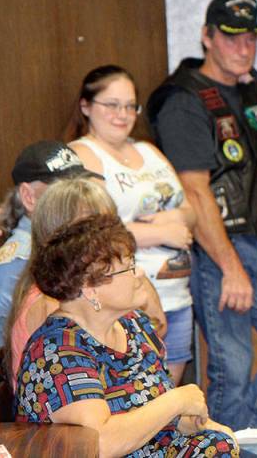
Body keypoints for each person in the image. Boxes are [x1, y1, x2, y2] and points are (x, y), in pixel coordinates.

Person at [146, 0, 257, 431]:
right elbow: (195, 192)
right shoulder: (182, 99)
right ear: (206, 37)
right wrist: (230, 267)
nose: (243, 49)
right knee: (231, 374)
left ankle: (245, 442)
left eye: (250, 38)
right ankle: (232, 446)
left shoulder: (249, 82)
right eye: (231, 38)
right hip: (218, 254)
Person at [16, 214, 238, 457]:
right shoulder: (57, 352)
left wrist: (188, 424)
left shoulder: (135, 324)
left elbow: (149, 419)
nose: (139, 273)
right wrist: (176, 401)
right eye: (129, 267)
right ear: (91, 290)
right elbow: (99, 444)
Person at [67, 65, 197, 385]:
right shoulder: (83, 154)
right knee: (137, 394)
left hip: (177, 295)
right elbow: (90, 230)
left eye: (130, 106)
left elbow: (192, 211)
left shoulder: (148, 151)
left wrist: (177, 218)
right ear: (86, 106)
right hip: (128, 301)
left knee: (169, 396)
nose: (122, 114)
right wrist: (161, 231)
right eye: (111, 105)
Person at [0, 140, 102, 343]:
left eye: (81, 186)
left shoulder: (69, 241)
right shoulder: (19, 260)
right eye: (64, 191)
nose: (80, 199)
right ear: (29, 197)